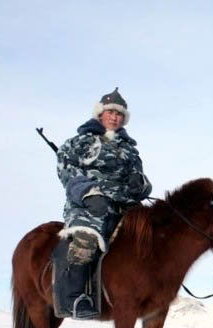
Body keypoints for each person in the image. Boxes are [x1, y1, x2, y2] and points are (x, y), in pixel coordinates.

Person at [57, 88, 152, 267]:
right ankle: (76, 295)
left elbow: (142, 183)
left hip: (126, 209)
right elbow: (67, 172)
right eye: (111, 112)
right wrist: (88, 193)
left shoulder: (130, 150)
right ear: (100, 113)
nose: (115, 117)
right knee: (83, 247)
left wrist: (139, 183)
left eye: (119, 114)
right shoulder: (79, 142)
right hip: (91, 208)